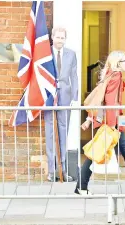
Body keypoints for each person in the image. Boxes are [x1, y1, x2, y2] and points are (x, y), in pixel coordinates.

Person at [75, 50, 125, 195]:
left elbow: (103, 100)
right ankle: (81, 187)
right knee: (95, 153)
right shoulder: (116, 76)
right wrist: (113, 125)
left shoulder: (109, 75)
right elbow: (111, 102)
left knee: (124, 151)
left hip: (112, 122)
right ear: (117, 63)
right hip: (111, 123)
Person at [44, 27, 78, 182]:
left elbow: (74, 75)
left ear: (65, 39)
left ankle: (63, 170)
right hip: (50, 95)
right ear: (52, 37)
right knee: (50, 131)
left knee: (63, 131)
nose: (59, 40)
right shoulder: (45, 53)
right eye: (57, 37)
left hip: (65, 95)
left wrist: (74, 97)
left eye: (62, 38)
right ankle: (51, 171)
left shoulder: (71, 54)